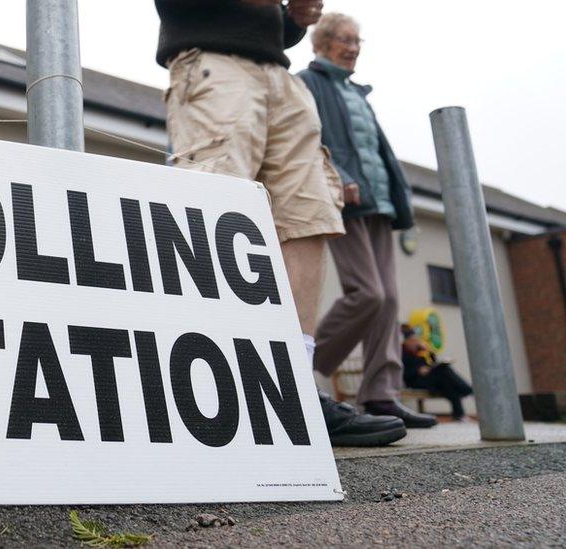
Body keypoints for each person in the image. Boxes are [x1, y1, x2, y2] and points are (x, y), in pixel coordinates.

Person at [156, 0, 407, 446]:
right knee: (213, 207)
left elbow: (269, 30)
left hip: (277, 73)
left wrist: (291, 19)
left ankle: (293, 388)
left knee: (308, 216)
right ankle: (204, 388)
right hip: (213, 62)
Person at [299, 13, 436, 429]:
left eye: (357, 40)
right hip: (344, 199)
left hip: (378, 203)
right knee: (368, 293)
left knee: (390, 299)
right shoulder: (310, 82)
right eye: (343, 38)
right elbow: (307, 135)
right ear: (321, 42)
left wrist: (398, 196)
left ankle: (381, 395)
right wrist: (339, 175)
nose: (353, 46)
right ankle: (298, 368)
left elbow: (375, 150)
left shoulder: (359, 93)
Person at [402, 325, 474, 421]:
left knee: (447, 383)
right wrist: (417, 371)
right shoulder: (402, 354)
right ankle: (467, 389)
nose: (416, 343)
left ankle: (459, 415)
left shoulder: (419, 353)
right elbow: (403, 373)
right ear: (406, 341)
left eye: (416, 340)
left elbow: (432, 363)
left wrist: (429, 351)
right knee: (443, 370)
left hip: (428, 380)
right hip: (415, 381)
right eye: (413, 340)